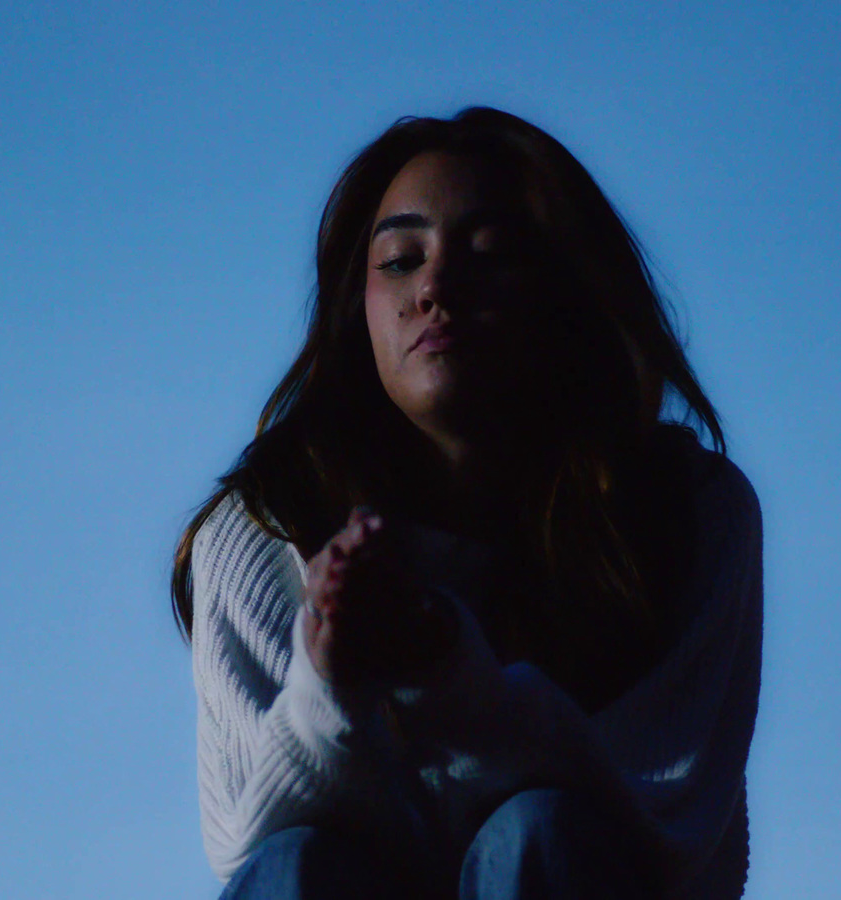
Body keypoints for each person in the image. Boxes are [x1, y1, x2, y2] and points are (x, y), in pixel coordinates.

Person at [171, 107, 763, 900]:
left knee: (543, 832)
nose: (435, 288)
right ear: (358, 307)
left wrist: (437, 666)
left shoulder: (689, 516)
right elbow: (244, 841)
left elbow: (667, 818)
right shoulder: (261, 533)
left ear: (567, 290)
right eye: (399, 260)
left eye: (492, 254)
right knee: (295, 864)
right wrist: (331, 674)